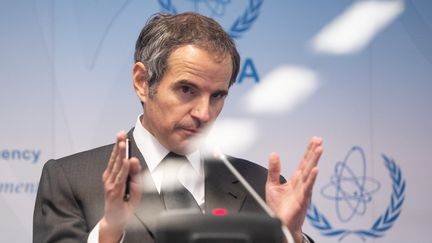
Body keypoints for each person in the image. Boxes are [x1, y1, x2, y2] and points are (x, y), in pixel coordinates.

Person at [33, 12, 323, 243]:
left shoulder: (261, 187)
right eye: (186, 89)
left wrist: (292, 237)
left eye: (217, 96)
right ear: (142, 82)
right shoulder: (70, 181)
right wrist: (110, 231)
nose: (203, 113)